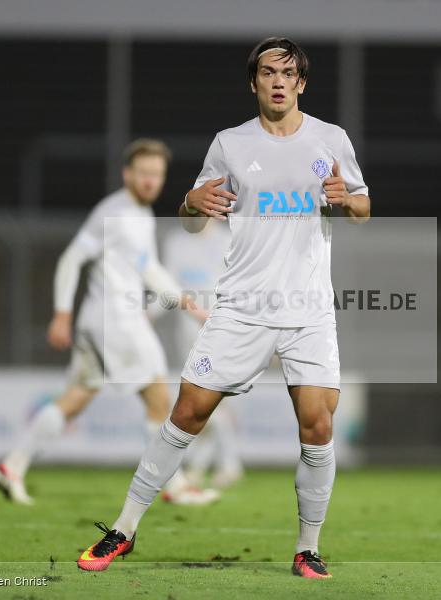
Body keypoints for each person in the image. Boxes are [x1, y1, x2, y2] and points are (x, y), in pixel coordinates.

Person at [76, 37, 371, 579]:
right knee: (187, 412)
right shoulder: (230, 144)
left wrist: (346, 199)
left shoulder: (331, 139)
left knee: (318, 424)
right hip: (241, 307)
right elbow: (192, 215)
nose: (278, 81)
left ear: (301, 83)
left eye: (288, 73)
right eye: (267, 73)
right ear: (253, 83)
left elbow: (362, 206)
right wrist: (191, 204)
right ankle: (124, 528)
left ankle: (307, 548)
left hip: (307, 310)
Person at [0, 138, 218, 507]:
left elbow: (147, 268)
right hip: (115, 319)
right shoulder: (112, 212)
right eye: (143, 172)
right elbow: (70, 260)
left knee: (76, 399)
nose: (150, 180)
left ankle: (12, 466)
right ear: (127, 174)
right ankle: (173, 486)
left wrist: (184, 300)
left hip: (99, 323)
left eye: (156, 174)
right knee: (159, 397)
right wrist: (61, 313)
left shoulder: (141, 216)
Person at [162, 219, 244, 489]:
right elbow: (169, 286)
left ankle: (215, 465)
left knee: (209, 398)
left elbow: (240, 283)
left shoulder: (228, 238)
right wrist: (147, 314)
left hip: (218, 329)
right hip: (186, 333)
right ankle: (219, 465)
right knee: (208, 400)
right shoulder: (175, 242)